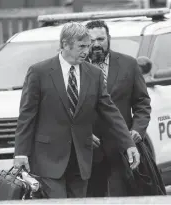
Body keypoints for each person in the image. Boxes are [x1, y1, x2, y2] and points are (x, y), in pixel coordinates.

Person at [13, 22, 140, 199]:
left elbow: (110, 111)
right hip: (47, 159)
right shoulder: (39, 72)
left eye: (87, 46)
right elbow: (27, 116)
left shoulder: (94, 74)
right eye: (81, 46)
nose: (86, 51)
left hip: (81, 160)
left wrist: (128, 144)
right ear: (65, 44)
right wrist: (21, 153)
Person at [85, 20, 151, 197]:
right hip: (89, 149)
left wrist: (137, 129)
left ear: (109, 39)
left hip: (122, 147)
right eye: (91, 40)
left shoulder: (129, 64)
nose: (96, 44)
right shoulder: (77, 67)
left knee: (122, 196)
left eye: (101, 39)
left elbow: (142, 103)